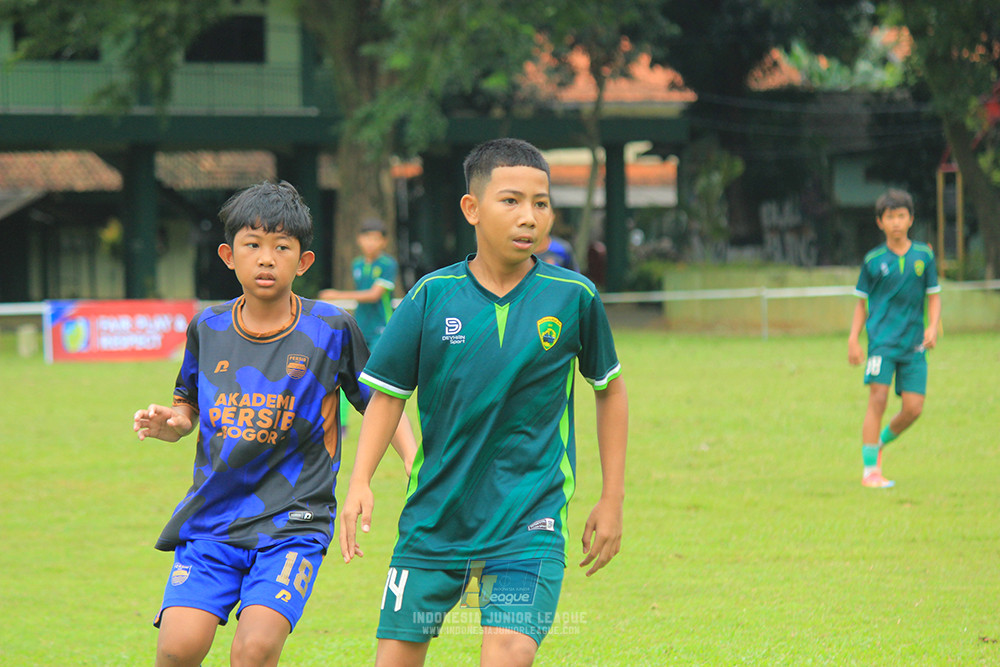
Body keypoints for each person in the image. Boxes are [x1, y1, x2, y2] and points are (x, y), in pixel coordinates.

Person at [339, 138, 629, 667]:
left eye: (541, 204)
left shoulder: (574, 297)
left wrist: (612, 498)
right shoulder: (431, 296)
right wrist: (359, 481)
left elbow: (608, 390)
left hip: (529, 516)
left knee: (510, 654)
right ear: (472, 209)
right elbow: (387, 397)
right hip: (436, 514)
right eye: (512, 201)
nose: (530, 217)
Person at [132, 181, 415, 667]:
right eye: (253, 246)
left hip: (294, 521)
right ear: (228, 255)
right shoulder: (208, 326)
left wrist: (416, 463)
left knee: (255, 648)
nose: (267, 259)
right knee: (177, 649)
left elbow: (380, 402)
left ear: (302, 261)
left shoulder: (331, 328)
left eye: (282, 247)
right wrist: (173, 422)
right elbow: (188, 404)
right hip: (212, 521)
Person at [848, 188, 941, 488]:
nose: (896, 222)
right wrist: (853, 338)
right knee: (878, 398)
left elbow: (934, 296)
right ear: (880, 222)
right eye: (890, 217)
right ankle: (869, 471)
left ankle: (880, 445)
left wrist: (933, 326)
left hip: (914, 343)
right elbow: (861, 304)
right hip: (882, 341)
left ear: (911, 219)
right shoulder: (873, 260)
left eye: (901, 216)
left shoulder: (924, 256)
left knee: (914, 408)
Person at [318, 217, 398, 350]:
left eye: (376, 239)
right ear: (359, 239)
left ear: (384, 242)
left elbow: (373, 295)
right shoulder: (357, 264)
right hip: (361, 324)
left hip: (382, 325)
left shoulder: (388, 264)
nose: (371, 243)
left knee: (375, 366)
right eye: (367, 238)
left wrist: (336, 295)